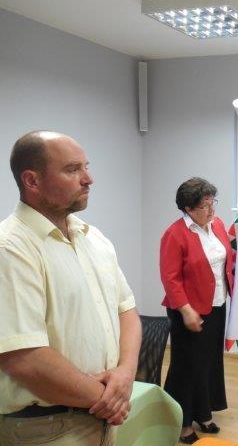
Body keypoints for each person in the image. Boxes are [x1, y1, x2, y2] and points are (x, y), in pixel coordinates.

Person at [0, 131, 141, 446]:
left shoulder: (94, 238)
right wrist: (108, 399)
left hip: (101, 418)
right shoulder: (10, 249)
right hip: (47, 428)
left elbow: (127, 311)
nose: (88, 179)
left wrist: (125, 374)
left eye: (86, 167)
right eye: (72, 169)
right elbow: (24, 358)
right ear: (32, 181)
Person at [160, 177, 234, 444]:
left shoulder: (218, 225)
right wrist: (186, 310)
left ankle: (203, 413)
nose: (212, 209)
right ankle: (181, 424)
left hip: (216, 305)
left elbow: (227, 259)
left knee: (209, 363)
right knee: (186, 367)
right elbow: (170, 279)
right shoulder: (174, 234)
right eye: (205, 205)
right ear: (188, 209)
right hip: (189, 311)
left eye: (213, 202)